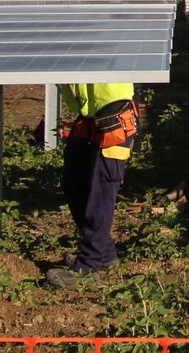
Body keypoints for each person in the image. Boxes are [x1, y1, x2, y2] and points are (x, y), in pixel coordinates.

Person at [46, 81, 139, 285]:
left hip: (114, 109)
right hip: (89, 112)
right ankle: (104, 253)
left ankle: (88, 266)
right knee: (74, 184)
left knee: (100, 195)